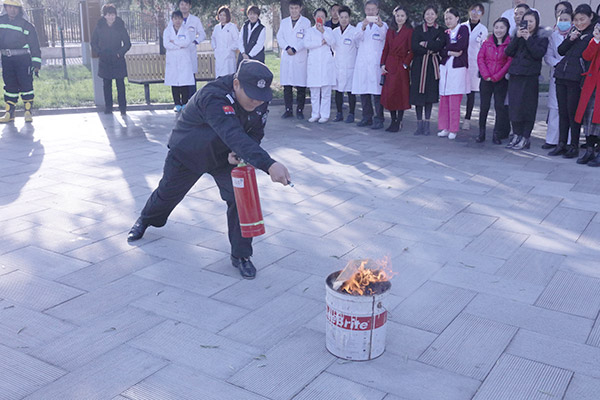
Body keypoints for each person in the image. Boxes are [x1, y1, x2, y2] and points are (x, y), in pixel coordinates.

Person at [127, 60, 291, 280]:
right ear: (236, 84)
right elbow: (233, 133)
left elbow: (254, 132)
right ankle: (145, 219)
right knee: (167, 193)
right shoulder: (213, 97)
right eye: (251, 95)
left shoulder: (258, 99)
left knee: (238, 199)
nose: (257, 101)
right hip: (189, 152)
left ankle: (241, 255)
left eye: (261, 96)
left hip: (225, 158)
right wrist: (269, 164)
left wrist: (239, 154)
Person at [550, 4, 594, 161]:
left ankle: (573, 145)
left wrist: (581, 38)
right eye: (576, 20)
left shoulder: (592, 35)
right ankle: (561, 143)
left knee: (573, 113)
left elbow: (586, 55)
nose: (579, 22)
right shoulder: (574, 32)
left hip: (576, 79)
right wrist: (571, 38)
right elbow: (561, 50)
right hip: (561, 75)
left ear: (591, 18)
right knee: (562, 111)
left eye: (582, 19)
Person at [505, 10, 549, 150]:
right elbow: (508, 52)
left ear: (536, 23)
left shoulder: (541, 37)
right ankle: (516, 134)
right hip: (515, 75)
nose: (528, 24)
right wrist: (517, 37)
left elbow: (538, 54)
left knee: (527, 108)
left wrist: (528, 38)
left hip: (530, 77)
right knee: (514, 107)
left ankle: (525, 137)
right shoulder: (516, 34)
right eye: (526, 21)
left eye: (531, 21)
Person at [0, 0, 41, 123]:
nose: (13, 10)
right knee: (9, 85)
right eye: (10, 7)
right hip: (7, 60)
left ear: (20, 9)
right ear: (5, 7)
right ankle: (9, 113)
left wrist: (36, 64)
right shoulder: (0, 21)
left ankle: (28, 112)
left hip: (23, 60)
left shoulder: (26, 25)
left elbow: (34, 46)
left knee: (26, 85)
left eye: (15, 7)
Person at [352, 0, 388, 130]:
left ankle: (379, 119)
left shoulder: (383, 25)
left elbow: (386, 38)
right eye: (368, 9)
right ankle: (366, 117)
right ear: (365, 11)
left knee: (377, 93)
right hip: (363, 64)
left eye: (373, 9)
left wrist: (380, 25)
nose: (371, 11)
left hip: (376, 64)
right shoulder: (360, 25)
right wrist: (363, 27)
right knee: (364, 91)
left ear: (377, 10)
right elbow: (356, 38)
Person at [476, 17, 512, 144]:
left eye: (502, 27)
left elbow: (509, 62)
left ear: (507, 29)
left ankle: (496, 134)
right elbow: (480, 58)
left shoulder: (510, 43)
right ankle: (481, 133)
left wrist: (497, 76)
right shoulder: (487, 42)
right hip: (486, 79)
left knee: (499, 107)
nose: (499, 30)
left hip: (501, 80)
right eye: (496, 27)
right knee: (484, 106)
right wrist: (486, 74)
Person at [91, 4, 131, 115]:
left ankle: (123, 108)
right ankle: (108, 107)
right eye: (109, 15)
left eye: (113, 14)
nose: (111, 17)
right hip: (105, 59)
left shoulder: (120, 26)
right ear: (104, 16)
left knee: (120, 85)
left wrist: (120, 53)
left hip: (117, 59)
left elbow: (127, 44)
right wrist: (99, 52)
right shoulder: (99, 27)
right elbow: (93, 42)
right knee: (106, 84)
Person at [410, 5, 444, 136]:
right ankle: (419, 124)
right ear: (424, 15)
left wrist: (424, 43)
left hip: (432, 65)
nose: (429, 16)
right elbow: (414, 47)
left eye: (432, 14)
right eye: (427, 14)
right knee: (418, 95)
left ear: (436, 16)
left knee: (429, 96)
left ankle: (428, 124)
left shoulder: (441, 30)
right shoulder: (418, 29)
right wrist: (432, 44)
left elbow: (440, 45)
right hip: (419, 65)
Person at [544, 4, 573, 150]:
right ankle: (551, 139)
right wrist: (558, 64)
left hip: (572, 77)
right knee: (554, 108)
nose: (563, 21)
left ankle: (567, 141)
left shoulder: (576, 36)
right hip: (557, 74)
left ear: (572, 21)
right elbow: (548, 56)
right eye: (561, 19)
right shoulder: (553, 36)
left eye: (566, 19)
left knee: (568, 108)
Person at [437, 8, 469, 140]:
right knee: (444, 100)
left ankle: (453, 128)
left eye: (450, 18)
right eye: (446, 19)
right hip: (445, 68)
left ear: (457, 18)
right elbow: (441, 50)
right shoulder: (446, 32)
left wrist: (447, 48)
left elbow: (461, 46)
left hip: (458, 69)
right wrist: (449, 52)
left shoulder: (463, 29)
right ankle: (444, 127)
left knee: (454, 100)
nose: (448, 21)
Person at [380, 6, 413, 132]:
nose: (400, 18)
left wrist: (405, 64)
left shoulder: (409, 31)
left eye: (402, 16)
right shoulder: (390, 30)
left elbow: (411, 50)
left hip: (401, 67)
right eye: (398, 15)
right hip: (389, 65)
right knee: (389, 95)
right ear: (394, 16)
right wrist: (382, 63)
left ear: (406, 17)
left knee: (400, 94)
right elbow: (386, 48)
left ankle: (399, 121)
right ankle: (392, 120)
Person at [277, 0, 310, 120]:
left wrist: (295, 49)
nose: (294, 10)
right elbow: (279, 37)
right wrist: (287, 48)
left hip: (299, 55)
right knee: (287, 86)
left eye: (296, 8)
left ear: (300, 8)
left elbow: (306, 39)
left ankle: (300, 110)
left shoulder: (306, 22)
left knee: (301, 86)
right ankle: (288, 110)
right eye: (292, 8)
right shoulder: (284, 22)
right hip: (287, 55)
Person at [574, 17, 600, 166]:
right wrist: (596, 40)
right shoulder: (595, 39)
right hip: (593, 83)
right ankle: (589, 149)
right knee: (590, 118)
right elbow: (586, 56)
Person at [305, 8, 335, 123]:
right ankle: (315, 113)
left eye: (323, 17)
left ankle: (325, 114)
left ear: (325, 18)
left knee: (326, 91)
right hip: (314, 64)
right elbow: (307, 44)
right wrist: (320, 43)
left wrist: (323, 32)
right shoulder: (309, 31)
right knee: (315, 91)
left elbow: (332, 42)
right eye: (318, 16)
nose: (320, 19)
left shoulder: (328, 30)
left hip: (326, 63)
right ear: (314, 17)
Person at [170, 0, 206, 97]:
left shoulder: (195, 20)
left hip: (190, 53)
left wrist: (195, 42)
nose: (184, 6)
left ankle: (192, 103)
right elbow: (169, 35)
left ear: (190, 6)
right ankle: (180, 104)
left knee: (190, 80)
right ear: (179, 6)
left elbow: (202, 34)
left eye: (186, 4)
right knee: (179, 79)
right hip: (177, 54)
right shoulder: (172, 20)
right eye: (182, 4)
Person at [462, 3, 488, 131]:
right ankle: (454, 118)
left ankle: (467, 119)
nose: (475, 13)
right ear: (469, 11)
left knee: (471, 94)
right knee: (457, 91)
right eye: (473, 10)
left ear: (482, 14)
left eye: (478, 12)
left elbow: (484, 50)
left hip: (474, 65)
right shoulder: (461, 26)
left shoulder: (483, 29)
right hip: (460, 63)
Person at [330, 6, 358, 123]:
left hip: (350, 65)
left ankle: (351, 113)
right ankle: (339, 113)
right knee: (338, 91)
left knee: (351, 91)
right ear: (338, 17)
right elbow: (333, 47)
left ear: (349, 18)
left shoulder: (354, 31)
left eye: (346, 17)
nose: (344, 19)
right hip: (338, 65)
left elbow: (357, 46)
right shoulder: (334, 32)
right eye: (342, 17)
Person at [164, 11, 195, 112]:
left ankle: (185, 103)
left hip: (184, 60)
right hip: (173, 61)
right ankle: (177, 103)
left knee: (184, 82)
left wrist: (174, 42)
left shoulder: (186, 30)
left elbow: (186, 42)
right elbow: (166, 44)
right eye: (175, 18)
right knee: (174, 82)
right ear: (172, 19)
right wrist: (179, 45)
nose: (177, 21)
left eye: (179, 19)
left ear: (182, 20)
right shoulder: (167, 31)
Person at [211, 6, 239, 78]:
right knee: (219, 77)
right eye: (220, 15)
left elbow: (237, 40)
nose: (222, 17)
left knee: (229, 77)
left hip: (229, 57)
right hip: (219, 55)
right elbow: (213, 38)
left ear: (228, 16)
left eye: (224, 15)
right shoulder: (216, 27)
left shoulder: (232, 27)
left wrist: (230, 49)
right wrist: (215, 48)